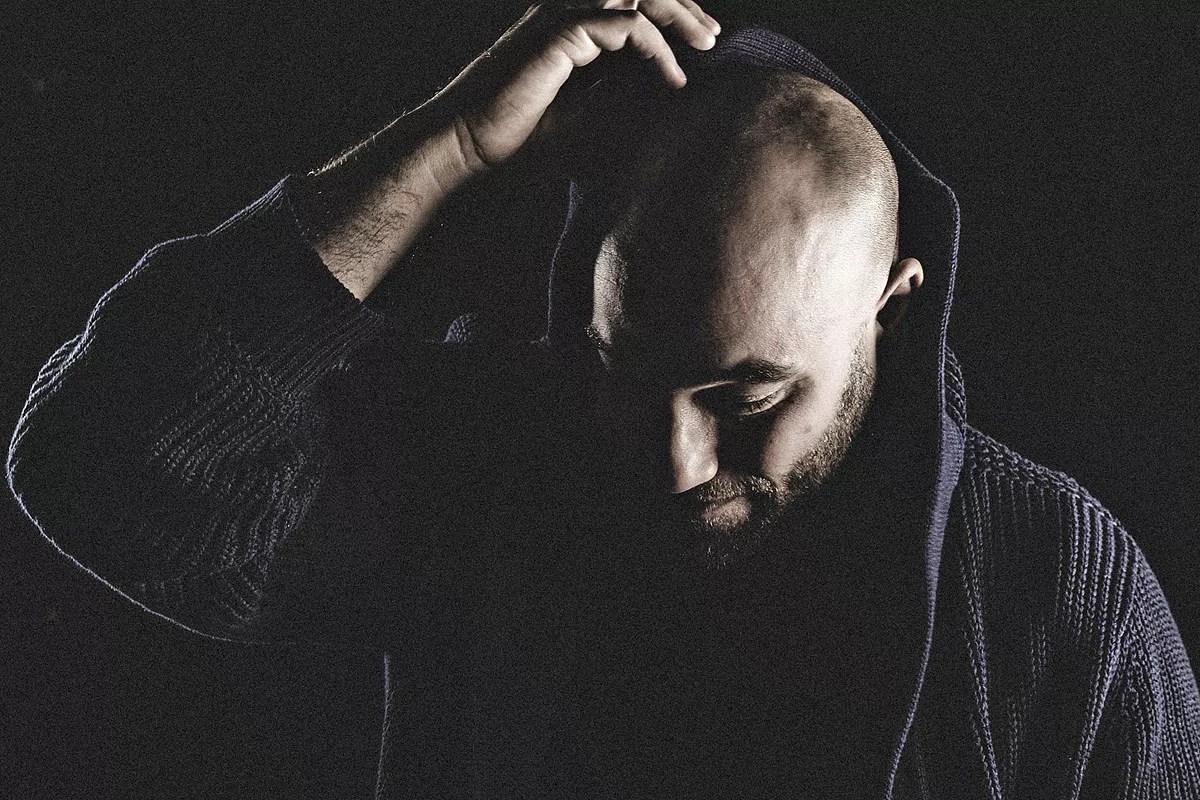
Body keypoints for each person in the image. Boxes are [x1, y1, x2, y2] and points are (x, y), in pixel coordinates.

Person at [7, 1, 1200, 797]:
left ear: (890, 306)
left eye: (747, 399)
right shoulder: (503, 461)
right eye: (624, 371)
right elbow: (102, 465)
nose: (675, 459)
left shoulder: (1054, 585)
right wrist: (453, 143)